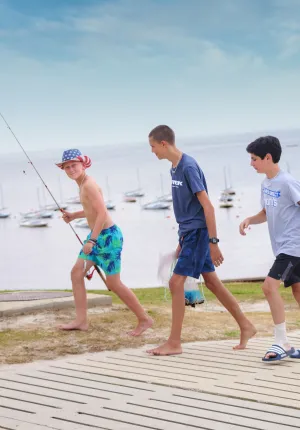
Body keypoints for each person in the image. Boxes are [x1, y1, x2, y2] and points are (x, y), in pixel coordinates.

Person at [147, 125, 256, 356]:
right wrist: (181, 242)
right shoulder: (174, 169)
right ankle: (246, 325)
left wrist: (213, 242)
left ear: (164, 143)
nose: (152, 151)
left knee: (176, 283)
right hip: (189, 234)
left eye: (153, 146)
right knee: (212, 282)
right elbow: (187, 209)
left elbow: (208, 207)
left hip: (199, 234)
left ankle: (174, 343)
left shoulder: (188, 167)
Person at [56, 149, 153, 335]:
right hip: (97, 234)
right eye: (67, 167)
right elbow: (91, 210)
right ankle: (81, 321)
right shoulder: (82, 183)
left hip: (108, 237)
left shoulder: (89, 185)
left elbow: (102, 213)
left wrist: (92, 240)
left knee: (114, 284)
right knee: (76, 273)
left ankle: (144, 319)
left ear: (82, 165)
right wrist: (74, 215)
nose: (70, 169)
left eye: (73, 165)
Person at [239, 136, 300, 362]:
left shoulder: (288, 182)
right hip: (283, 247)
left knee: (269, 287)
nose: (251, 163)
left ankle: (281, 341)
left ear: (268, 157)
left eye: (254, 159)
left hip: (293, 247)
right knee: (298, 292)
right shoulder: (266, 184)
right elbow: (265, 213)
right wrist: (248, 220)